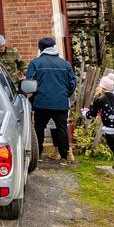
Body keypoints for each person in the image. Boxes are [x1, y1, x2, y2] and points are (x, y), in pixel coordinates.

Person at [24, 36, 77, 166]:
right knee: (62, 128)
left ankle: (39, 154)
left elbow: (29, 83)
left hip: (41, 102)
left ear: (40, 48)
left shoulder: (35, 63)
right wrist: (64, 95)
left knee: (39, 128)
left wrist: (34, 96)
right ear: (53, 47)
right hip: (61, 102)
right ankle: (64, 156)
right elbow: (72, 84)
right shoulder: (65, 64)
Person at [85, 76, 114, 170]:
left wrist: (86, 114)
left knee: (113, 144)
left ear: (101, 86)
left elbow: (93, 113)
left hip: (110, 126)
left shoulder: (99, 97)